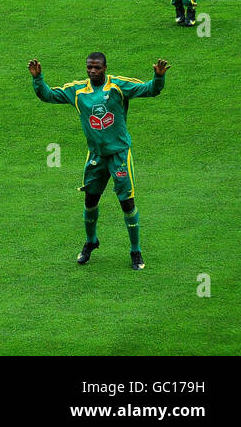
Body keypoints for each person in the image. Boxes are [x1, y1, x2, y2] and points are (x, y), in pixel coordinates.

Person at [29, 54, 168, 270]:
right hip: (95, 156)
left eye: (97, 68)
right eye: (89, 68)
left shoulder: (118, 86)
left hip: (119, 154)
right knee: (90, 201)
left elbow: (150, 90)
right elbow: (48, 95)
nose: (92, 71)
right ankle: (90, 242)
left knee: (127, 202)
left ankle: (135, 250)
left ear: (105, 68)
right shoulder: (77, 90)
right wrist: (38, 79)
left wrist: (158, 77)